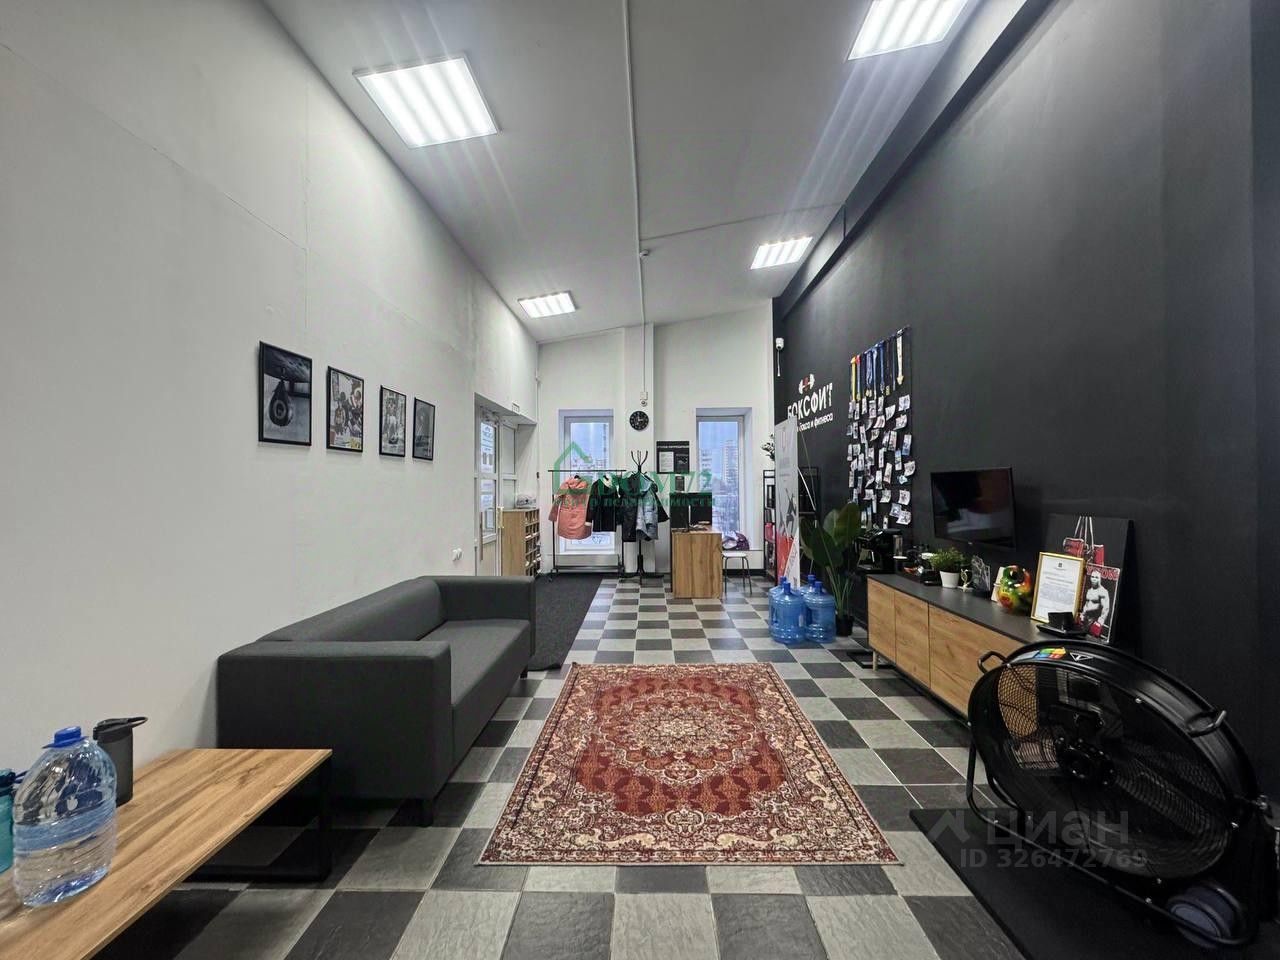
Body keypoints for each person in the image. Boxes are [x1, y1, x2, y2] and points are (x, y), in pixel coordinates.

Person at [1080, 568, 1111, 637]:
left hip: (1094, 619)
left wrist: (1100, 622)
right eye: (1092, 577)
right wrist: (1082, 614)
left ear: (1100, 579)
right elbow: (1087, 604)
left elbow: (1106, 608)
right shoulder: (1089, 590)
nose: (1094, 579)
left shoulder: (1103, 591)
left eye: (1096, 577)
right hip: (1085, 619)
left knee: (1091, 639)